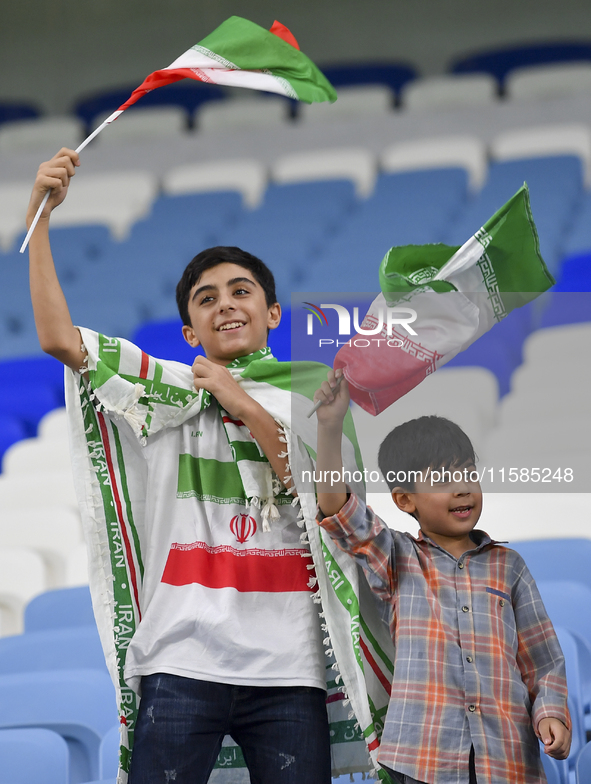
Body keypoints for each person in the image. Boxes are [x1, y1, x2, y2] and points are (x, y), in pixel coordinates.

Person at [26, 148, 333, 784]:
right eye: (205, 298)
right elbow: (60, 339)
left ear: (272, 313)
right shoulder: (166, 385)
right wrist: (41, 218)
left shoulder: (313, 395)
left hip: (289, 665)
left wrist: (237, 397)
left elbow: (317, 493)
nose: (225, 304)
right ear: (190, 330)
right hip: (180, 658)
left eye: (241, 291)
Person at [313, 368, 572, 784]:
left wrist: (552, 714)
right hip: (421, 761)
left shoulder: (510, 566)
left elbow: (544, 663)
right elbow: (338, 509)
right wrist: (330, 428)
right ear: (404, 499)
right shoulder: (396, 556)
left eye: (469, 473)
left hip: (507, 762)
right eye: (441, 480)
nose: (461, 489)